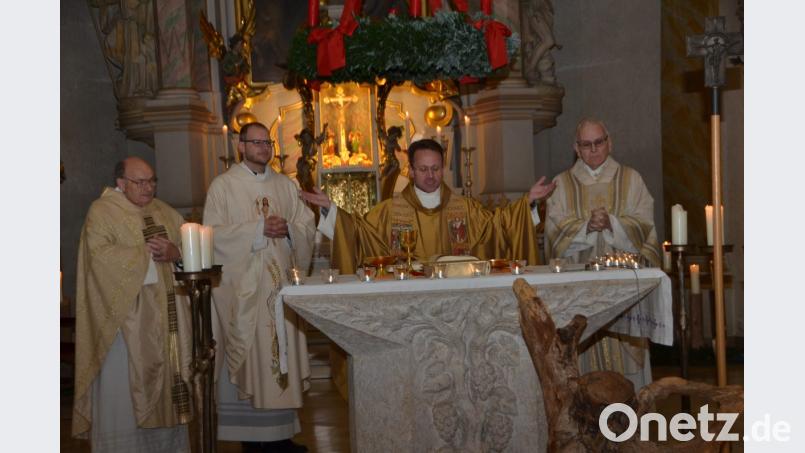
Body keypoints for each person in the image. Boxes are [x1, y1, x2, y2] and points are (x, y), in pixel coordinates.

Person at [203, 122, 315, 453]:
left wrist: (289, 230)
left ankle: (281, 436)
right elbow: (211, 236)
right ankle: (253, 440)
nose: (264, 148)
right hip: (245, 294)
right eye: (256, 142)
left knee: (280, 359)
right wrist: (257, 230)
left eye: (268, 143)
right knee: (254, 361)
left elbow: (306, 225)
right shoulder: (223, 187)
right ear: (240, 146)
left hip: (281, 290)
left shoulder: (285, 185)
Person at [72, 157, 192, 452]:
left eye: (152, 181)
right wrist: (147, 255)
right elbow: (98, 258)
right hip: (125, 327)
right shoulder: (102, 211)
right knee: (124, 393)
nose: (148, 188)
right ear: (121, 183)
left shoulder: (164, 211)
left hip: (167, 322)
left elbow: (190, 246)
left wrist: (176, 252)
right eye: (140, 182)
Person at [301, 138, 556, 274]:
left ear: (443, 169)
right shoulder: (390, 210)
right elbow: (359, 233)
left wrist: (527, 203)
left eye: (435, 168)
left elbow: (498, 227)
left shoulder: (465, 208)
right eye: (423, 169)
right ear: (411, 171)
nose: (431, 175)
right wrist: (332, 211)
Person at [545, 118, 661, 390]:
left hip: (624, 288)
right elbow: (553, 233)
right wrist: (586, 227)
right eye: (586, 144)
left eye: (599, 142)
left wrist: (613, 224)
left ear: (610, 142)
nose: (594, 149)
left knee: (628, 371)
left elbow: (645, 224)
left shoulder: (632, 179)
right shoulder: (562, 184)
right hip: (579, 292)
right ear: (576, 148)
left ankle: (631, 412)